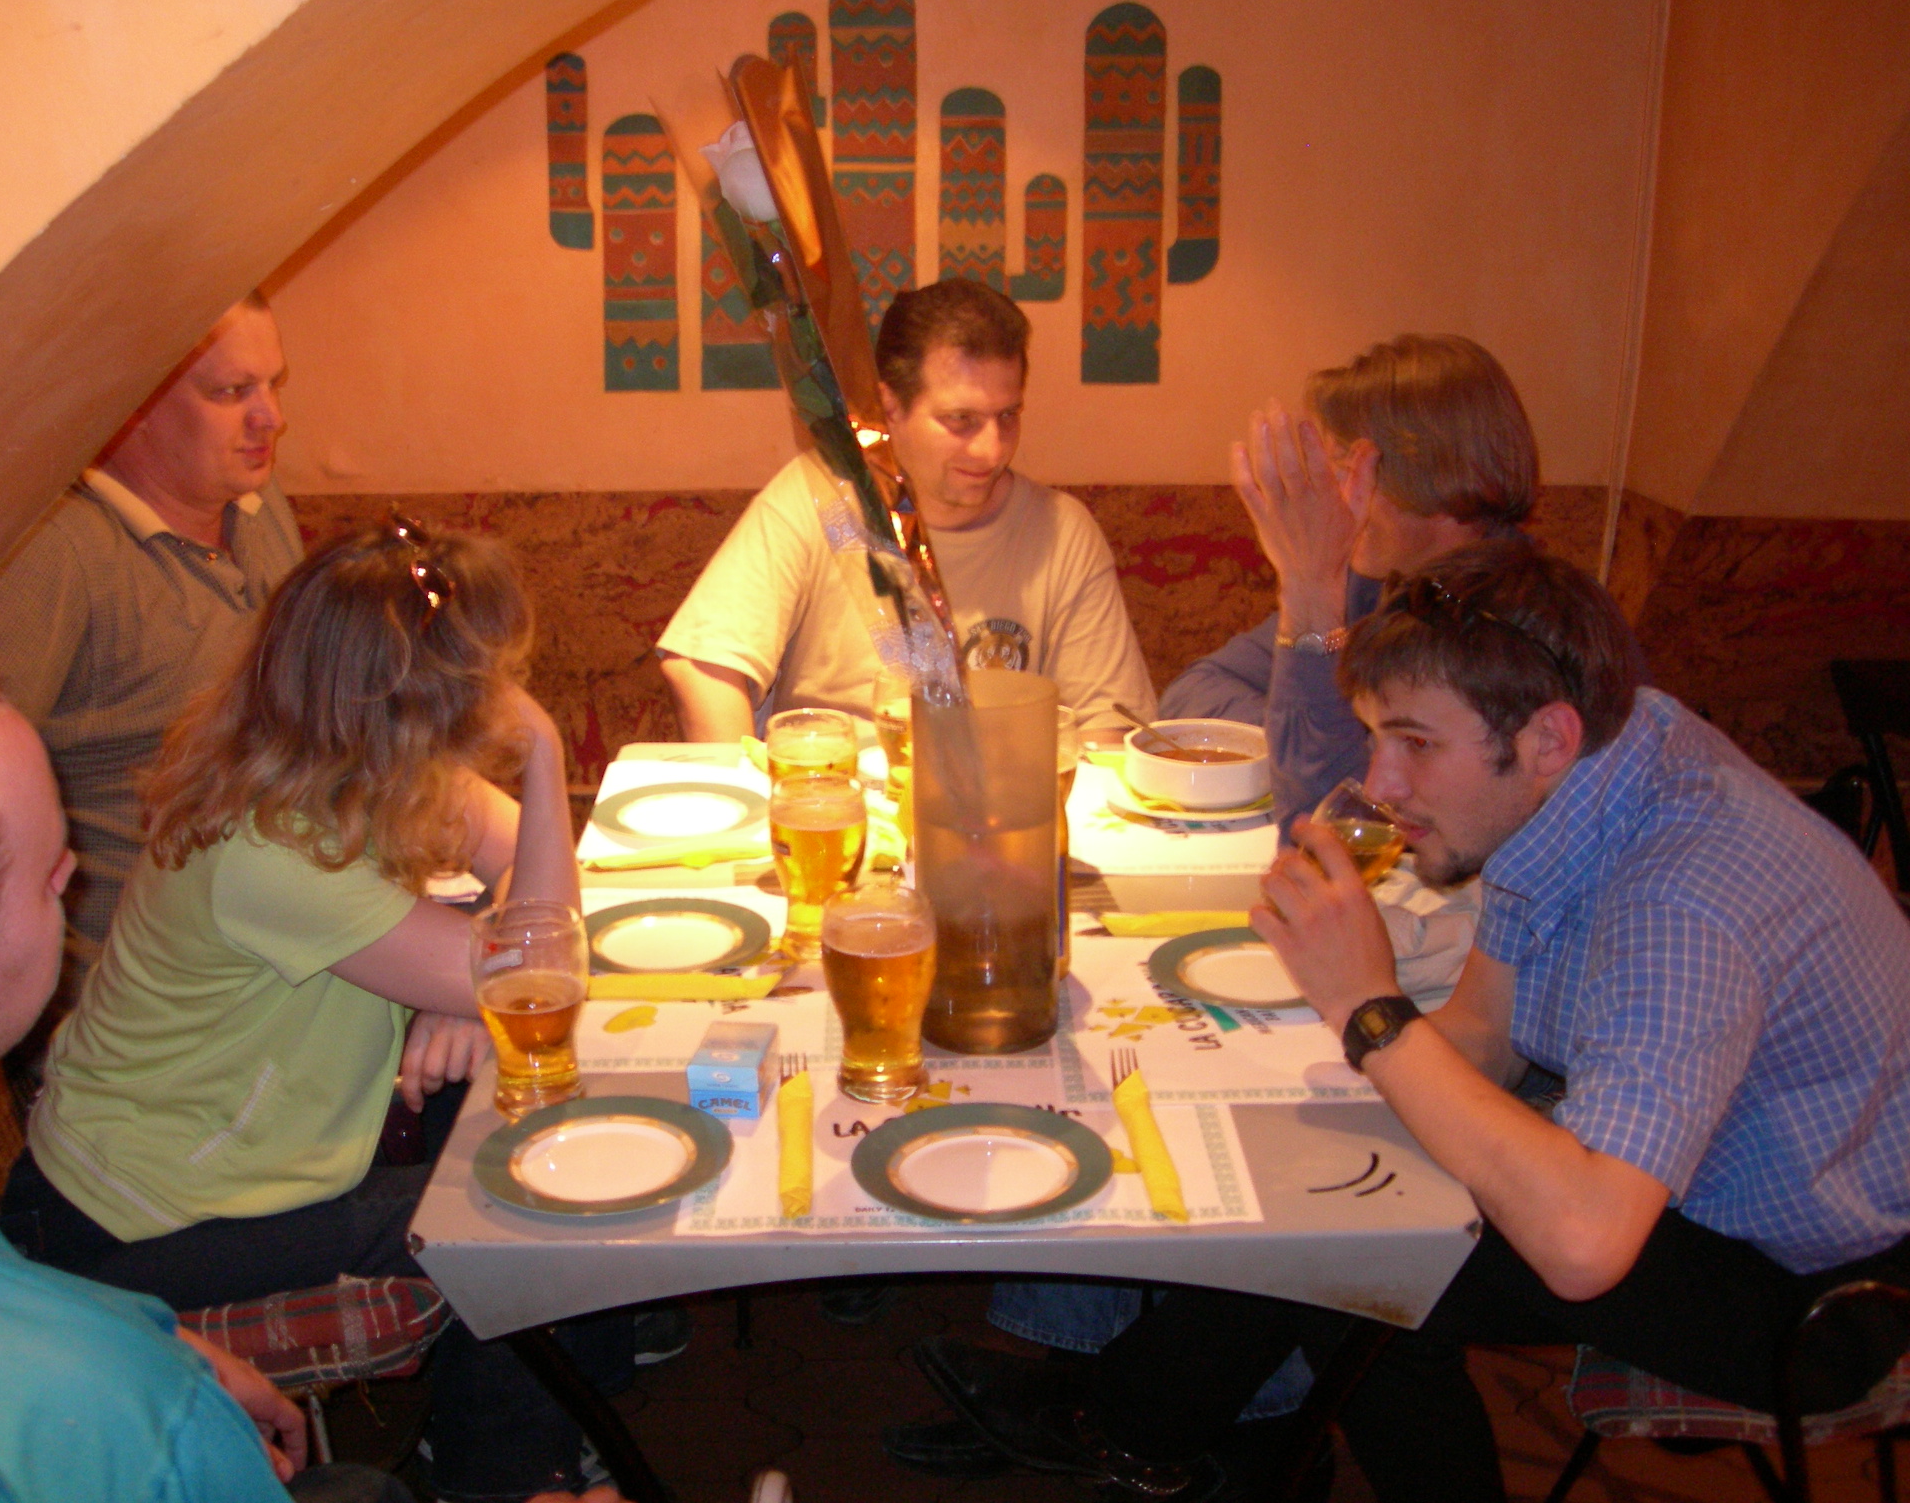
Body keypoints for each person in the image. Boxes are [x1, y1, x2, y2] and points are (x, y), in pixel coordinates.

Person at [911, 539, 1910, 1502]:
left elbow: (1584, 1243)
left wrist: (1368, 1007)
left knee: (1359, 1260)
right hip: (1683, 1179)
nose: (1383, 786)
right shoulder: (1591, 761)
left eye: (1417, 744)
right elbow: (1485, 1036)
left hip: (1818, 1289)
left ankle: (1130, 1424)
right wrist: (1260, 1079)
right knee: (1329, 1193)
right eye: (1377, 738)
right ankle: (1146, 1426)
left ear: (1547, 737)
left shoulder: (1680, 900)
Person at [892, 333, 1540, 1476]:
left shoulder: (1501, 631)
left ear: (1411, 475)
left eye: (1339, 465)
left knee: (1268, 1159)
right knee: (1148, 1042)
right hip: (1411, 965)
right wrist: (1315, 619)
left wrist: (1309, 596)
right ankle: (1134, 1406)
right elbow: (1205, 704)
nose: (1319, 491)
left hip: (1499, 1027)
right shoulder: (1407, 591)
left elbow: (1317, 813)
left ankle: (1153, 1419)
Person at [0, 521, 630, 1503]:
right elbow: (545, 965)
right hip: (139, 1224)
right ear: (409, 702)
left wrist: (474, 993)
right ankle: (504, 1481)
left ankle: (523, 1425)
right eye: (485, 680)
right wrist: (544, 756)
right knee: (517, 1216)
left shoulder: (328, 759)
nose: (499, 698)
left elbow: (521, 893)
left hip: (213, 1163)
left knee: (510, 1113)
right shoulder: (271, 849)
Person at [0, 652, 405, 1503]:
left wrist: (150, 1337)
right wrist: (155, 1380)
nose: (74, 876)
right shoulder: (120, 1408)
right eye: (49, 878)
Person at [0, 292, 305, 1011]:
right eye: (232, 392)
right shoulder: (56, 555)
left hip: (289, 943)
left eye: (273, 384)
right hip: (151, 1002)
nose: (270, 417)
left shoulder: (258, 505)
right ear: (130, 405)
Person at [658, 277, 1156, 736]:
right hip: (836, 789)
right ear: (889, 406)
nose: (992, 450)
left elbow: (1109, 728)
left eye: (1007, 416)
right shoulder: (817, 496)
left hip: (996, 798)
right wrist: (744, 793)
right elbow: (701, 667)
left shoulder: (1061, 532)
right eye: (961, 420)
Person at [1160, 333, 1538, 827]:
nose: (1333, 499)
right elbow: (1194, 689)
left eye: (1346, 469)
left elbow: (1336, 825)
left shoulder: (1517, 628)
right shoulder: (1371, 589)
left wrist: (1309, 587)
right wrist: (1315, 729)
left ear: (1439, 475)